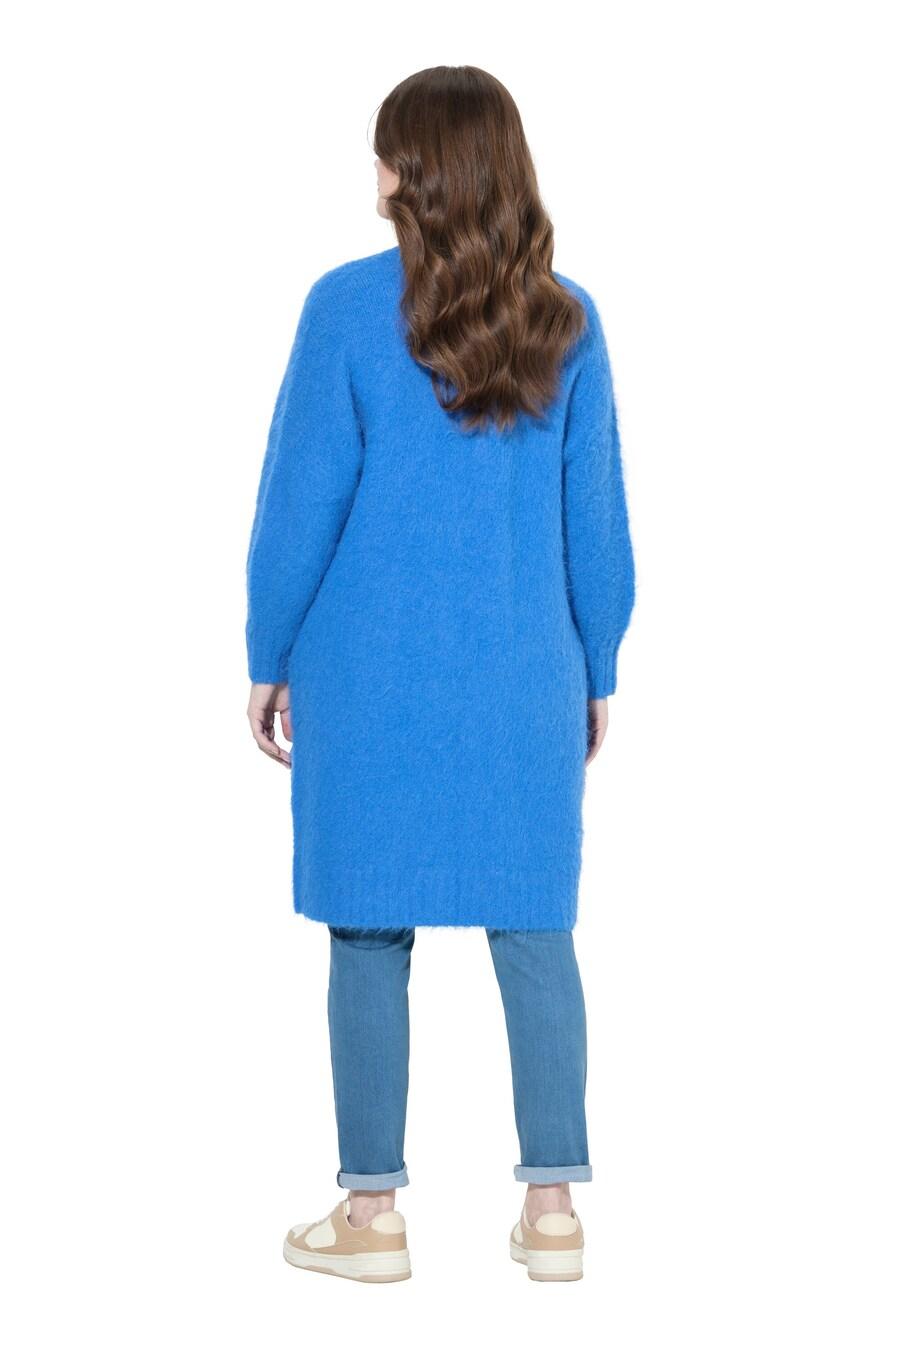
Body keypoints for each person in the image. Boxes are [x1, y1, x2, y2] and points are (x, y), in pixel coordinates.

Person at [244, 65, 636, 1284]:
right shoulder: (568, 320)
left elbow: (299, 503)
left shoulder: (343, 309)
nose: (373, 172)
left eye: (384, 152)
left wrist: (267, 651)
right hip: (526, 675)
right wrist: (598, 661)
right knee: (536, 929)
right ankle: (553, 1212)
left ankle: (370, 1220)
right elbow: (596, 523)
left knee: (367, 930)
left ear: (410, 172)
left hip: (367, 677)